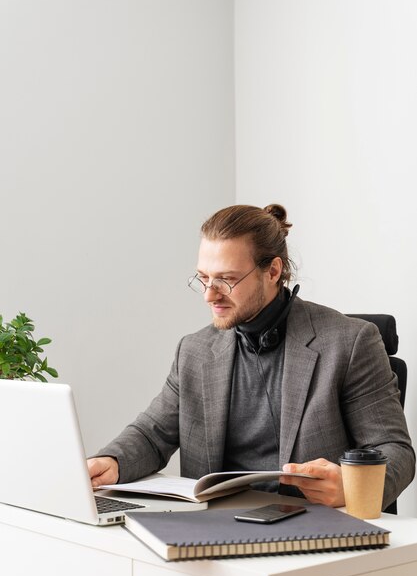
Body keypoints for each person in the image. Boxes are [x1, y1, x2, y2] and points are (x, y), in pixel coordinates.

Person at [88, 204, 415, 509]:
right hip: (211, 531)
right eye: (203, 278)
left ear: (273, 271)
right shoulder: (195, 350)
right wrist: (111, 462)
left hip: (308, 533)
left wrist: (351, 486)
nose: (208, 295)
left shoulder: (350, 342)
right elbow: (151, 435)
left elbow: (395, 451)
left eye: (226, 280)